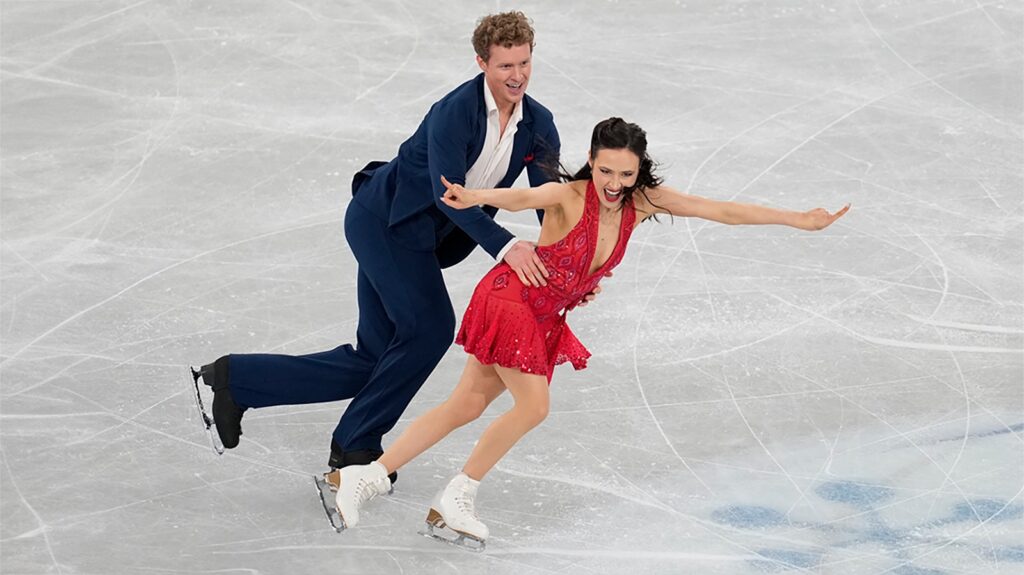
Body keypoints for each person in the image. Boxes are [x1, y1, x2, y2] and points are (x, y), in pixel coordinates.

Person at [327, 117, 850, 549]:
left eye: (626, 173)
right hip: (511, 301)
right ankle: (457, 496)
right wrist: (473, 195)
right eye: (605, 170)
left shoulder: (645, 203)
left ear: (639, 169)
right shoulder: (570, 195)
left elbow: (721, 211)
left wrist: (797, 220)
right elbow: (518, 198)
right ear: (593, 161)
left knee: (464, 405)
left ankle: (366, 475)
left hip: (541, 313)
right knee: (534, 407)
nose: (615, 183)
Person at [188, 12, 600, 493]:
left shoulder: (538, 123)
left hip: (423, 240)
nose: (517, 76)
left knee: (374, 359)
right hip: (385, 224)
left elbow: (547, 201)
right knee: (428, 330)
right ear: (482, 62)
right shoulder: (455, 112)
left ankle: (237, 379)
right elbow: (451, 194)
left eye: (525, 63)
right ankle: (355, 446)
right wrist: (506, 248)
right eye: (506, 65)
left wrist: (569, 269)